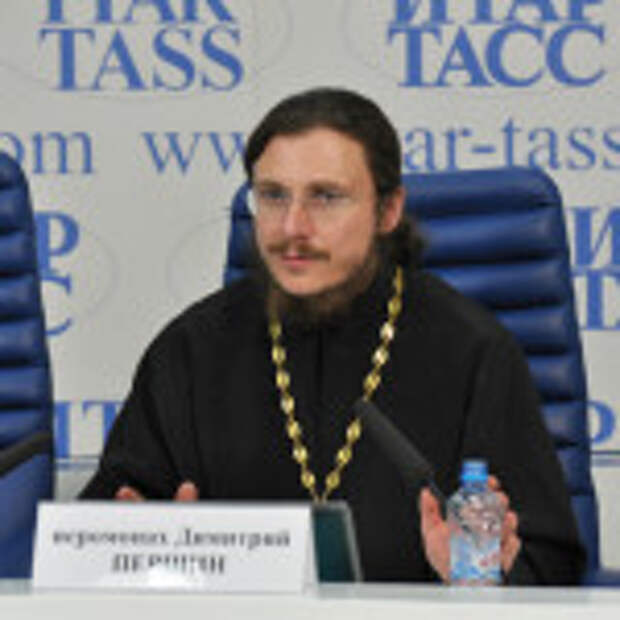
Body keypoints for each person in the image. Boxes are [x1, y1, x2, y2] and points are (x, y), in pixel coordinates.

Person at [81, 88, 586, 584]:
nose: (292, 227)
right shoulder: (191, 350)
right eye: (273, 196)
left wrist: (476, 575)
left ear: (388, 210)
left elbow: (548, 561)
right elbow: (102, 536)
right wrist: (143, 549)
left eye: (325, 197)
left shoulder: (471, 350)